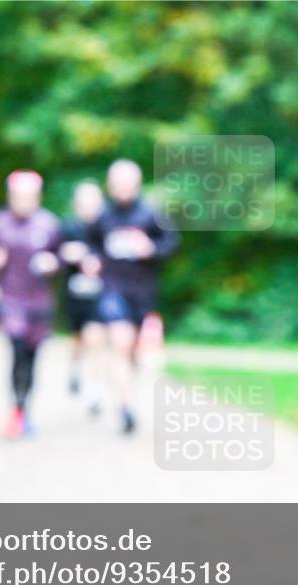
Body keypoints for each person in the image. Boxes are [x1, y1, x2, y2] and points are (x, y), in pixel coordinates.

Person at [87, 159, 180, 434]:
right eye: (118, 183)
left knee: (134, 354)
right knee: (119, 343)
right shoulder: (103, 215)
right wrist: (92, 260)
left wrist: (150, 249)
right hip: (113, 290)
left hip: (144, 292)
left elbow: (172, 244)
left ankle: (128, 396)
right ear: (110, 185)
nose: (123, 188)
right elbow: (91, 243)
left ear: (137, 184)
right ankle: (124, 406)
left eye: (128, 183)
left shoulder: (152, 213)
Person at [0, 171, 62, 440]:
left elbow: (61, 259)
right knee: (16, 351)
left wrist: (54, 264)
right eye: (18, 196)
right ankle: (16, 408)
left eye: (28, 197)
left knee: (32, 358)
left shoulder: (49, 224)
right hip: (11, 300)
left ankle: (25, 406)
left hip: (39, 302)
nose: (23, 202)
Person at [59, 180, 106, 413]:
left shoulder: (106, 227)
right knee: (78, 339)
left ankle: (93, 389)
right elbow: (56, 254)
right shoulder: (68, 227)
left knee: (95, 340)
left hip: (99, 294)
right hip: (74, 294)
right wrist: (70, 255)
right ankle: (75, 368)